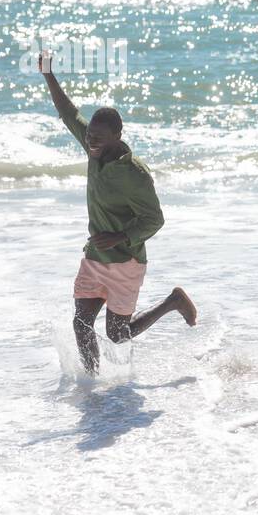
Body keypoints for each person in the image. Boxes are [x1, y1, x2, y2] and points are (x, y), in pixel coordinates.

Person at [39, 51, 196, 374]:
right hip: (95, 256)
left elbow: (155, 219)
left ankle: (172, 302)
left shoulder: (135, 174)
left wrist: (121, 236)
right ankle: (92, 386)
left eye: (97, 137)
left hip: (126, 261)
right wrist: (48, 74)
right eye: (89, 136)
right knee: (81, 324)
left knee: (116, 334)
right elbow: (68, 112)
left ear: (116, 137)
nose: (90, 141)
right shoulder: (92, 148)